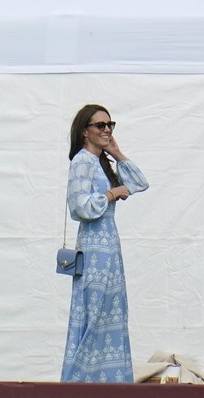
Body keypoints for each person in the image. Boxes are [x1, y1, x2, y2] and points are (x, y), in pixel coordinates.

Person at [61, 104, 149, 383]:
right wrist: (111, 194)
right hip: (93, 247)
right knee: (93, 315)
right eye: (100, 125)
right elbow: (79, 208)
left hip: (110, 246)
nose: (107, 129)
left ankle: (111, 381)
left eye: (110, 124)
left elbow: (140, 183)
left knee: (112, 314)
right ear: (85, 132)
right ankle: (79, 381)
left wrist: (117, 153)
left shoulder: (100, 162)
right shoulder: (82, 161)